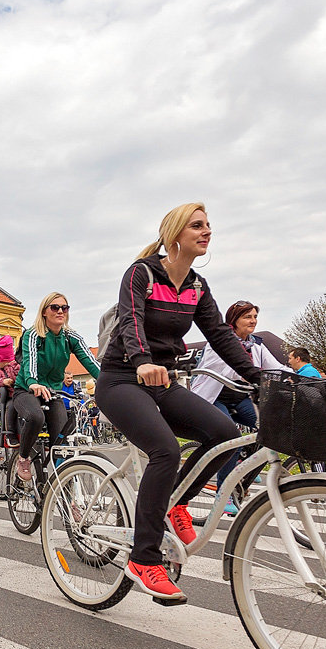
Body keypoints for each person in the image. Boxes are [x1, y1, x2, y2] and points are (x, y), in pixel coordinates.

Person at [96, 202, 261, 603]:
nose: (207, 231)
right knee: (165, 451)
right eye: (197, 225)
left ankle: (177, 504)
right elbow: (131, 320)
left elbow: (221, 335)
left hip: (161, 381)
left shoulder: (197, 286)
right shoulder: (142, 274)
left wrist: (259, 377)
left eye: (208, 225)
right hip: (122, 378)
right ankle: (144, 557)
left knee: (224, 433)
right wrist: (142, 361)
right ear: (174, 235)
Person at [190, 301, 293, 513]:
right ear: (234, 320)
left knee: (267, 428)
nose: (253, 321)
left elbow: (276, 367)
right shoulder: (219, 343)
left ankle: (244, 466)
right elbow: (224, 369)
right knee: (230, 438)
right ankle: (223, 493)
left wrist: (298, 377)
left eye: (255, 316)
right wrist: (252, 375)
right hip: (215, 396)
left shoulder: (256, 345)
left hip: (238, 397)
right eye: (247, 317)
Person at [13, 294, 100, 482]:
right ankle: (23, 457)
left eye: (65, 308)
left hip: (53, 393)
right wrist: (33, 382)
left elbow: (91, 361)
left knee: (63, 447)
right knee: (36, 417)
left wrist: (109, 382)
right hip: (27, 389)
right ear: (44, 312)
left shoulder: (70, 337)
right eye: (54, 307)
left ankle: (69, 500)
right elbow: (30, 362)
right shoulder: (33, 334)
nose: (60, 311)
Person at [0, 334, 20, 444]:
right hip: (11, 397)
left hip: (22, 393)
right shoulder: (2, 372)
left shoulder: (17, 366)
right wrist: (3, 381)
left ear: (1, 358)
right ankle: (10, 434)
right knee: (10, 408)